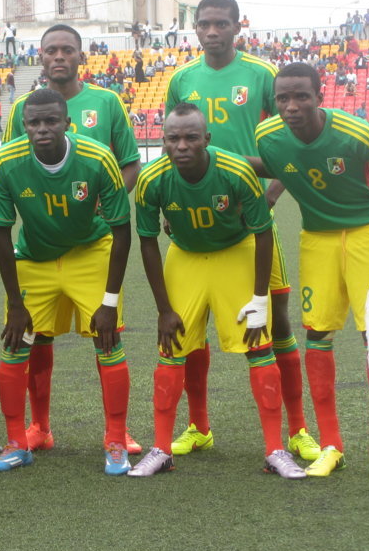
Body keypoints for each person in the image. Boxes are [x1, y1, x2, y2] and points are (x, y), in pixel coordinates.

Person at [163, 0, 318, 462]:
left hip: (251, 219)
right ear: (195, 28)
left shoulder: (262, 75)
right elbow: (173, 138)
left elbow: (292, 140)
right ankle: (198, 427)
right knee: (191, 328)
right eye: (204, 24)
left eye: (221, 23)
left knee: (277, 321)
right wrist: (173, 203)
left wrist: (270, 194)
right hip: (196, 218)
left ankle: (298, 430)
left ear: (237, 26)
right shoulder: (182, 79)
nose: (212, 31)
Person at [129, 103, 305, 479]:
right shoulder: (151, 179)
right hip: (186, 256)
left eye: (191, 137)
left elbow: (262, 234)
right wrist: (163, 309)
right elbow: (146, 242)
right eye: (173, 138)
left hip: (235, 251)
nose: (182, 146)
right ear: (163, 141)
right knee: (171, 348)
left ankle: (275, 450)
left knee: (259, 347)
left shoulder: (236, 170)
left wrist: (259, 299)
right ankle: (161, 449)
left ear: (207, 138)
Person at [253, 62, 369, 482]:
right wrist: (269, 194)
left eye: (301, 96)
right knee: (318, 334)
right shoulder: (267, 135)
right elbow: (283, 165)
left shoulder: (355, 133)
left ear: (320, 97)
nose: (291, 106)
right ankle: (331, 446)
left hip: (368, 233)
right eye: (283, 98)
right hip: (317, 239)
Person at [2, 24, 142, 454]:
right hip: (39, 248)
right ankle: (39, 427)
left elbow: (130, 163)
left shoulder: (107, 102)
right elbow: (12, 169)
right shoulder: (22, 109)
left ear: (82, 56)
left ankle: (116, 433)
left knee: (106, 335)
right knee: (37, 337)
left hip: (92, 243)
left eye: (67, 49)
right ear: (40, 58)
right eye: (51, 50)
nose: (59, 56)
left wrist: (104, 203)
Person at [0, 88, 133, 475]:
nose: (42, 129)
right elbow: (0, 233)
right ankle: (17, 443)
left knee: (108, 340)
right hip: (35, 257)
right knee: (16, 345)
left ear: (67, 123)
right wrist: (14, 303)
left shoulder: (98, 158)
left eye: (51, 121)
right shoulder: (6, 162)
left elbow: (122, 230)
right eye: (33, 122)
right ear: (23, 126)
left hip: (90, 251)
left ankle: (116, 440)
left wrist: (109, 301)